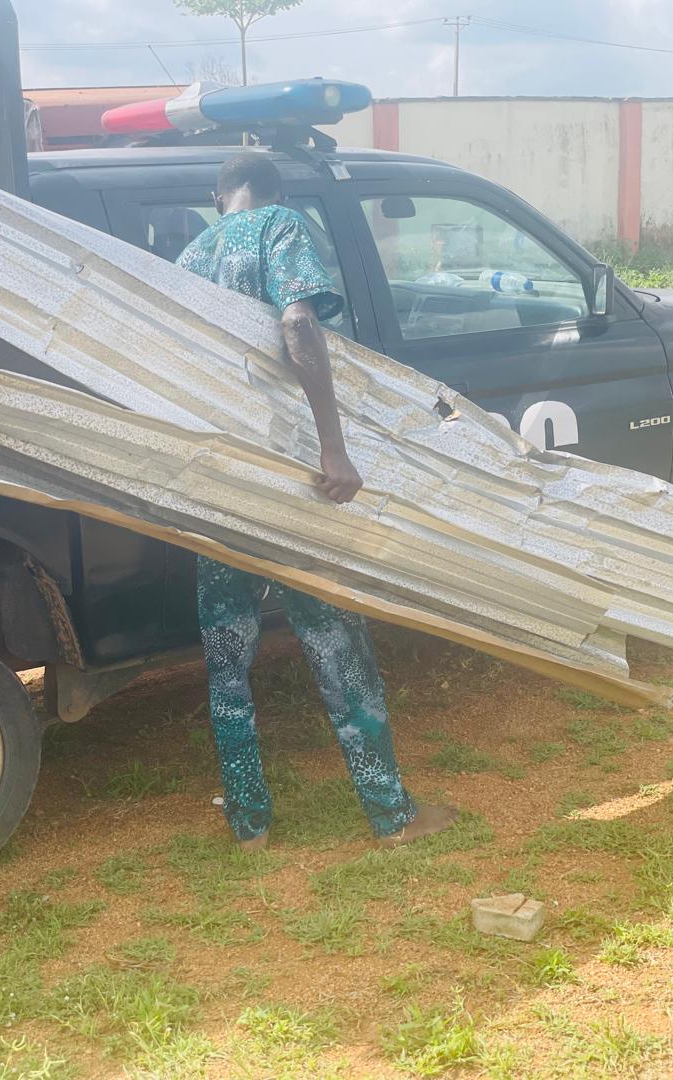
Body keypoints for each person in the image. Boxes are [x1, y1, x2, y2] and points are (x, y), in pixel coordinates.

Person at [177, 152, 458, 851]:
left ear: (220, 196)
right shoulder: (278, 226)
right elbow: (299, 326)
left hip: (222, 485)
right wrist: (332, 444)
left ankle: (249, 825)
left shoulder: (190, 253)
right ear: (270, 192)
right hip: (286, 476)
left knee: (227, 660)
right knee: (335, 644)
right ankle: (391, 814)